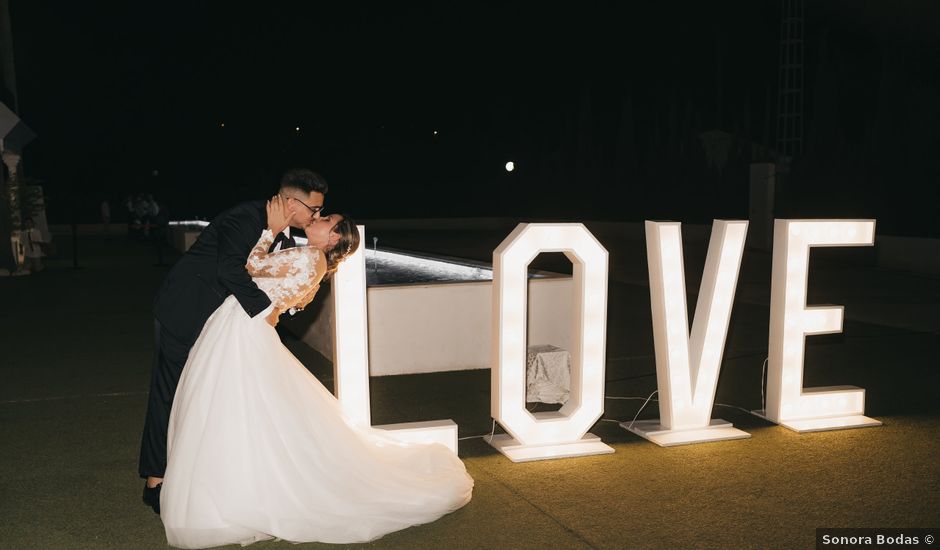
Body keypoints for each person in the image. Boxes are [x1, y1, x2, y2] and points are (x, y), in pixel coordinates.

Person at [160, 198, 473, 547]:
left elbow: (249, 268)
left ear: (335, 238)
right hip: (242, 326)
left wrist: (271, 230)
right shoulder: (314, 261)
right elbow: (280, 300)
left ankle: (235, 492)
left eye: (327, 219)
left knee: (230, 407)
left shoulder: (311, 257)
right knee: (243, 410)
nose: (319, 217)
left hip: (241, 329)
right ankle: (239, 488)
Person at [139, 169, 328, 511]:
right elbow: (230, 270)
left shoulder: (286, 236)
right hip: (187, 308)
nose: (315, 216)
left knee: (208, 397)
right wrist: (266, 311)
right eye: (313, 210)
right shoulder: (246, 217)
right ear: (290, 201)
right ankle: (155, 482)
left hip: (225, 325)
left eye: (319, 212)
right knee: (170, 392)